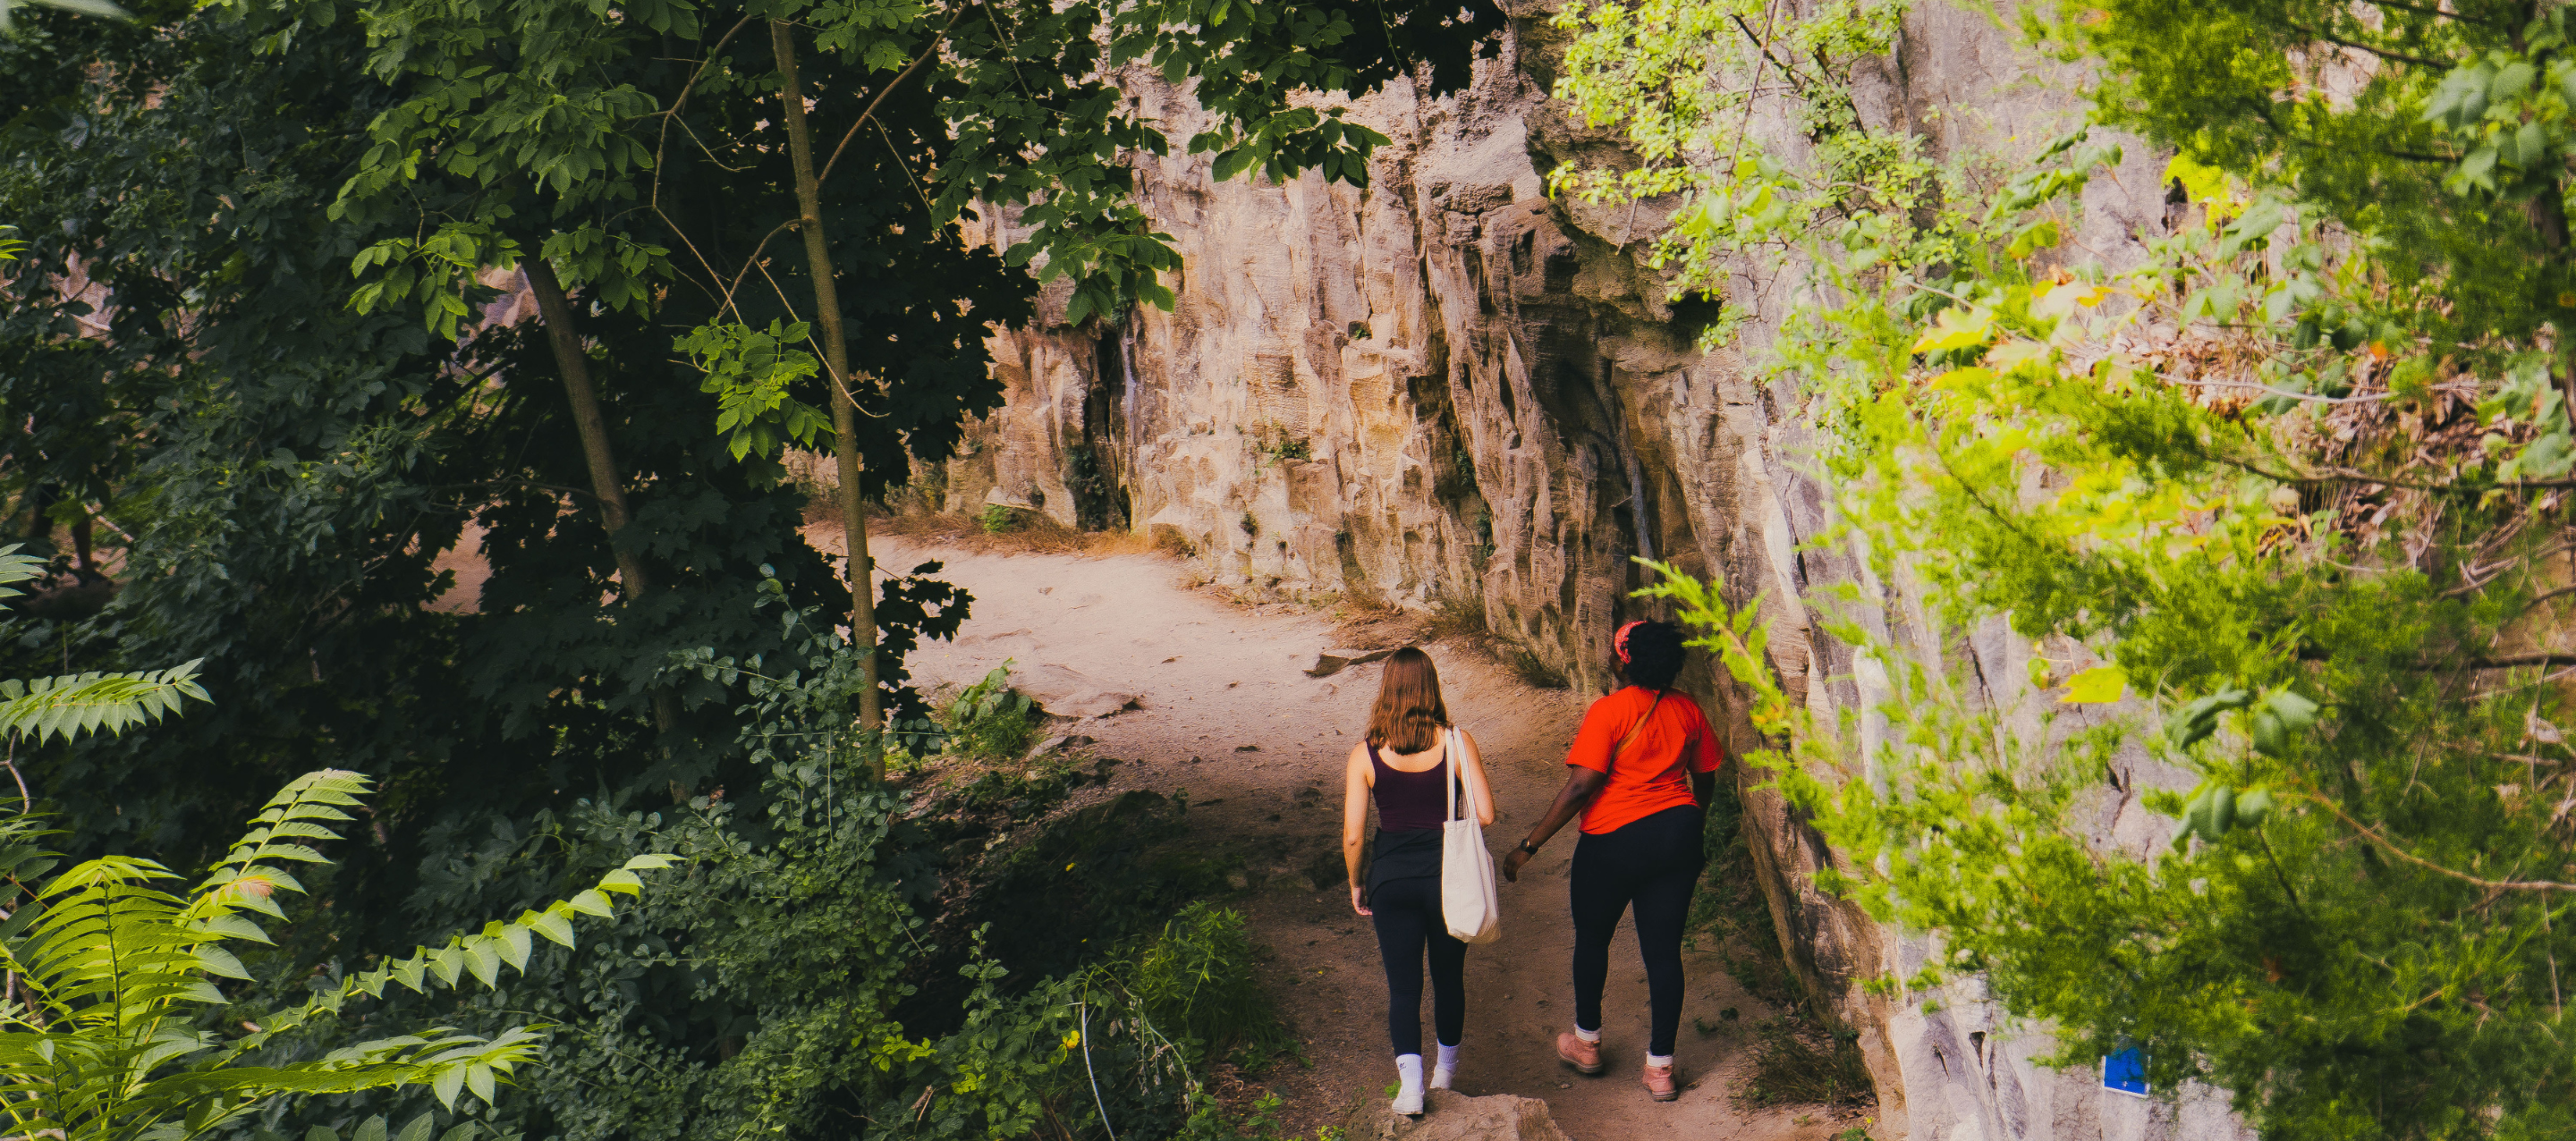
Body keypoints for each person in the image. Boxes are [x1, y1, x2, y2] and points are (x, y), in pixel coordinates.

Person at [1498, 620, 1722, 1103]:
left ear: (1625, 660)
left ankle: (1587, 1044)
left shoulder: (1610, 711)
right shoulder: (1688, 709)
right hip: (1678, 834)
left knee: (1593, 939)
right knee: (1664, 953)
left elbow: (1582, 786)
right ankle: (1660, 1070)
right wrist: (1694, 820)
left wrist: (1529, 845)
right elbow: (1706, 775)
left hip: (1614, 840)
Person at [1343, 647, 1496, 1117]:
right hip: (1448, 880)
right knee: (1449, 980)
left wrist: (1356, 882)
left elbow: (1353, 835)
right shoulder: (1457, 742)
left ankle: (1411, 1089)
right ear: (1432, 688)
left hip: (1391, 880)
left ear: (1386, 690)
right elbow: (1486, 814)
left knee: (1404, 988)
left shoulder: (1365, 753)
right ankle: (1444, 1077)